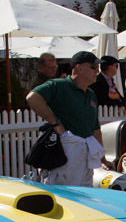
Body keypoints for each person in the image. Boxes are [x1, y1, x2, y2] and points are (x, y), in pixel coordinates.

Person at [24, 50, 105, 186]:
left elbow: (95, 129)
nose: (97, 71)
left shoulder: (91, 94)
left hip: (85, 157)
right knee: (64, 196)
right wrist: (55, 123)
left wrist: (103, 159)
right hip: (65, 155)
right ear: (78, 68)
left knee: (85, 197)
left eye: (98, 67)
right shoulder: (59, 86)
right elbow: (32, 98)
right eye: (93, 67)